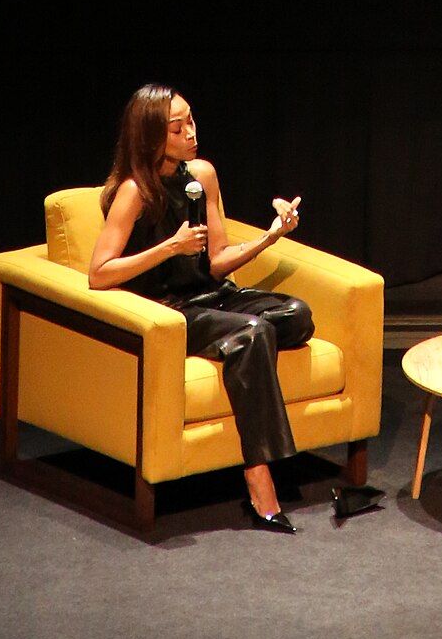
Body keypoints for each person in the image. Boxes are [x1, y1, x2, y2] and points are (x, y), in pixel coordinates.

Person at [90, 83, 313, 532]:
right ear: (152, 137)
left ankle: (236, 344)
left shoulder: (202, 175)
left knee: (297, 314)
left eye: (191, 120)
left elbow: (217, 261)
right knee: (253, 333)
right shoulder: (135, 192)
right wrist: (169, 248)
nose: (191, 132)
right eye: (178, 128)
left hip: (214, 296)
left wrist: (270, 235)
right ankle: (259, 476)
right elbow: (99, 272)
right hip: (170, 310)